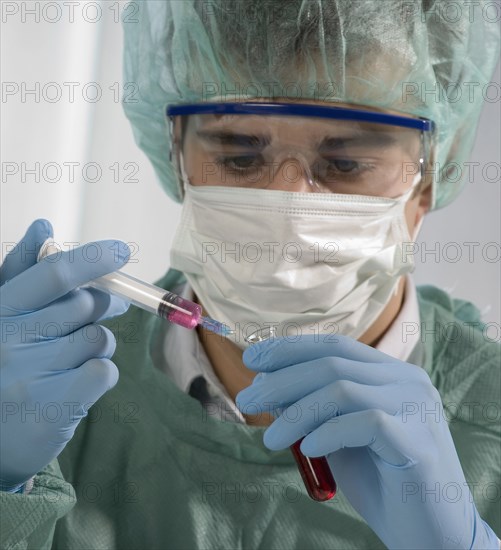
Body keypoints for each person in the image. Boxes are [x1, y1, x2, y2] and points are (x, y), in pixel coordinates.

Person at [1, 1, 499, 548]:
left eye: (346, 163)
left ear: (432, 172)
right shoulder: (51, 399)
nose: (284, 201)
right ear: (177, 157)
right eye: (238, 156)